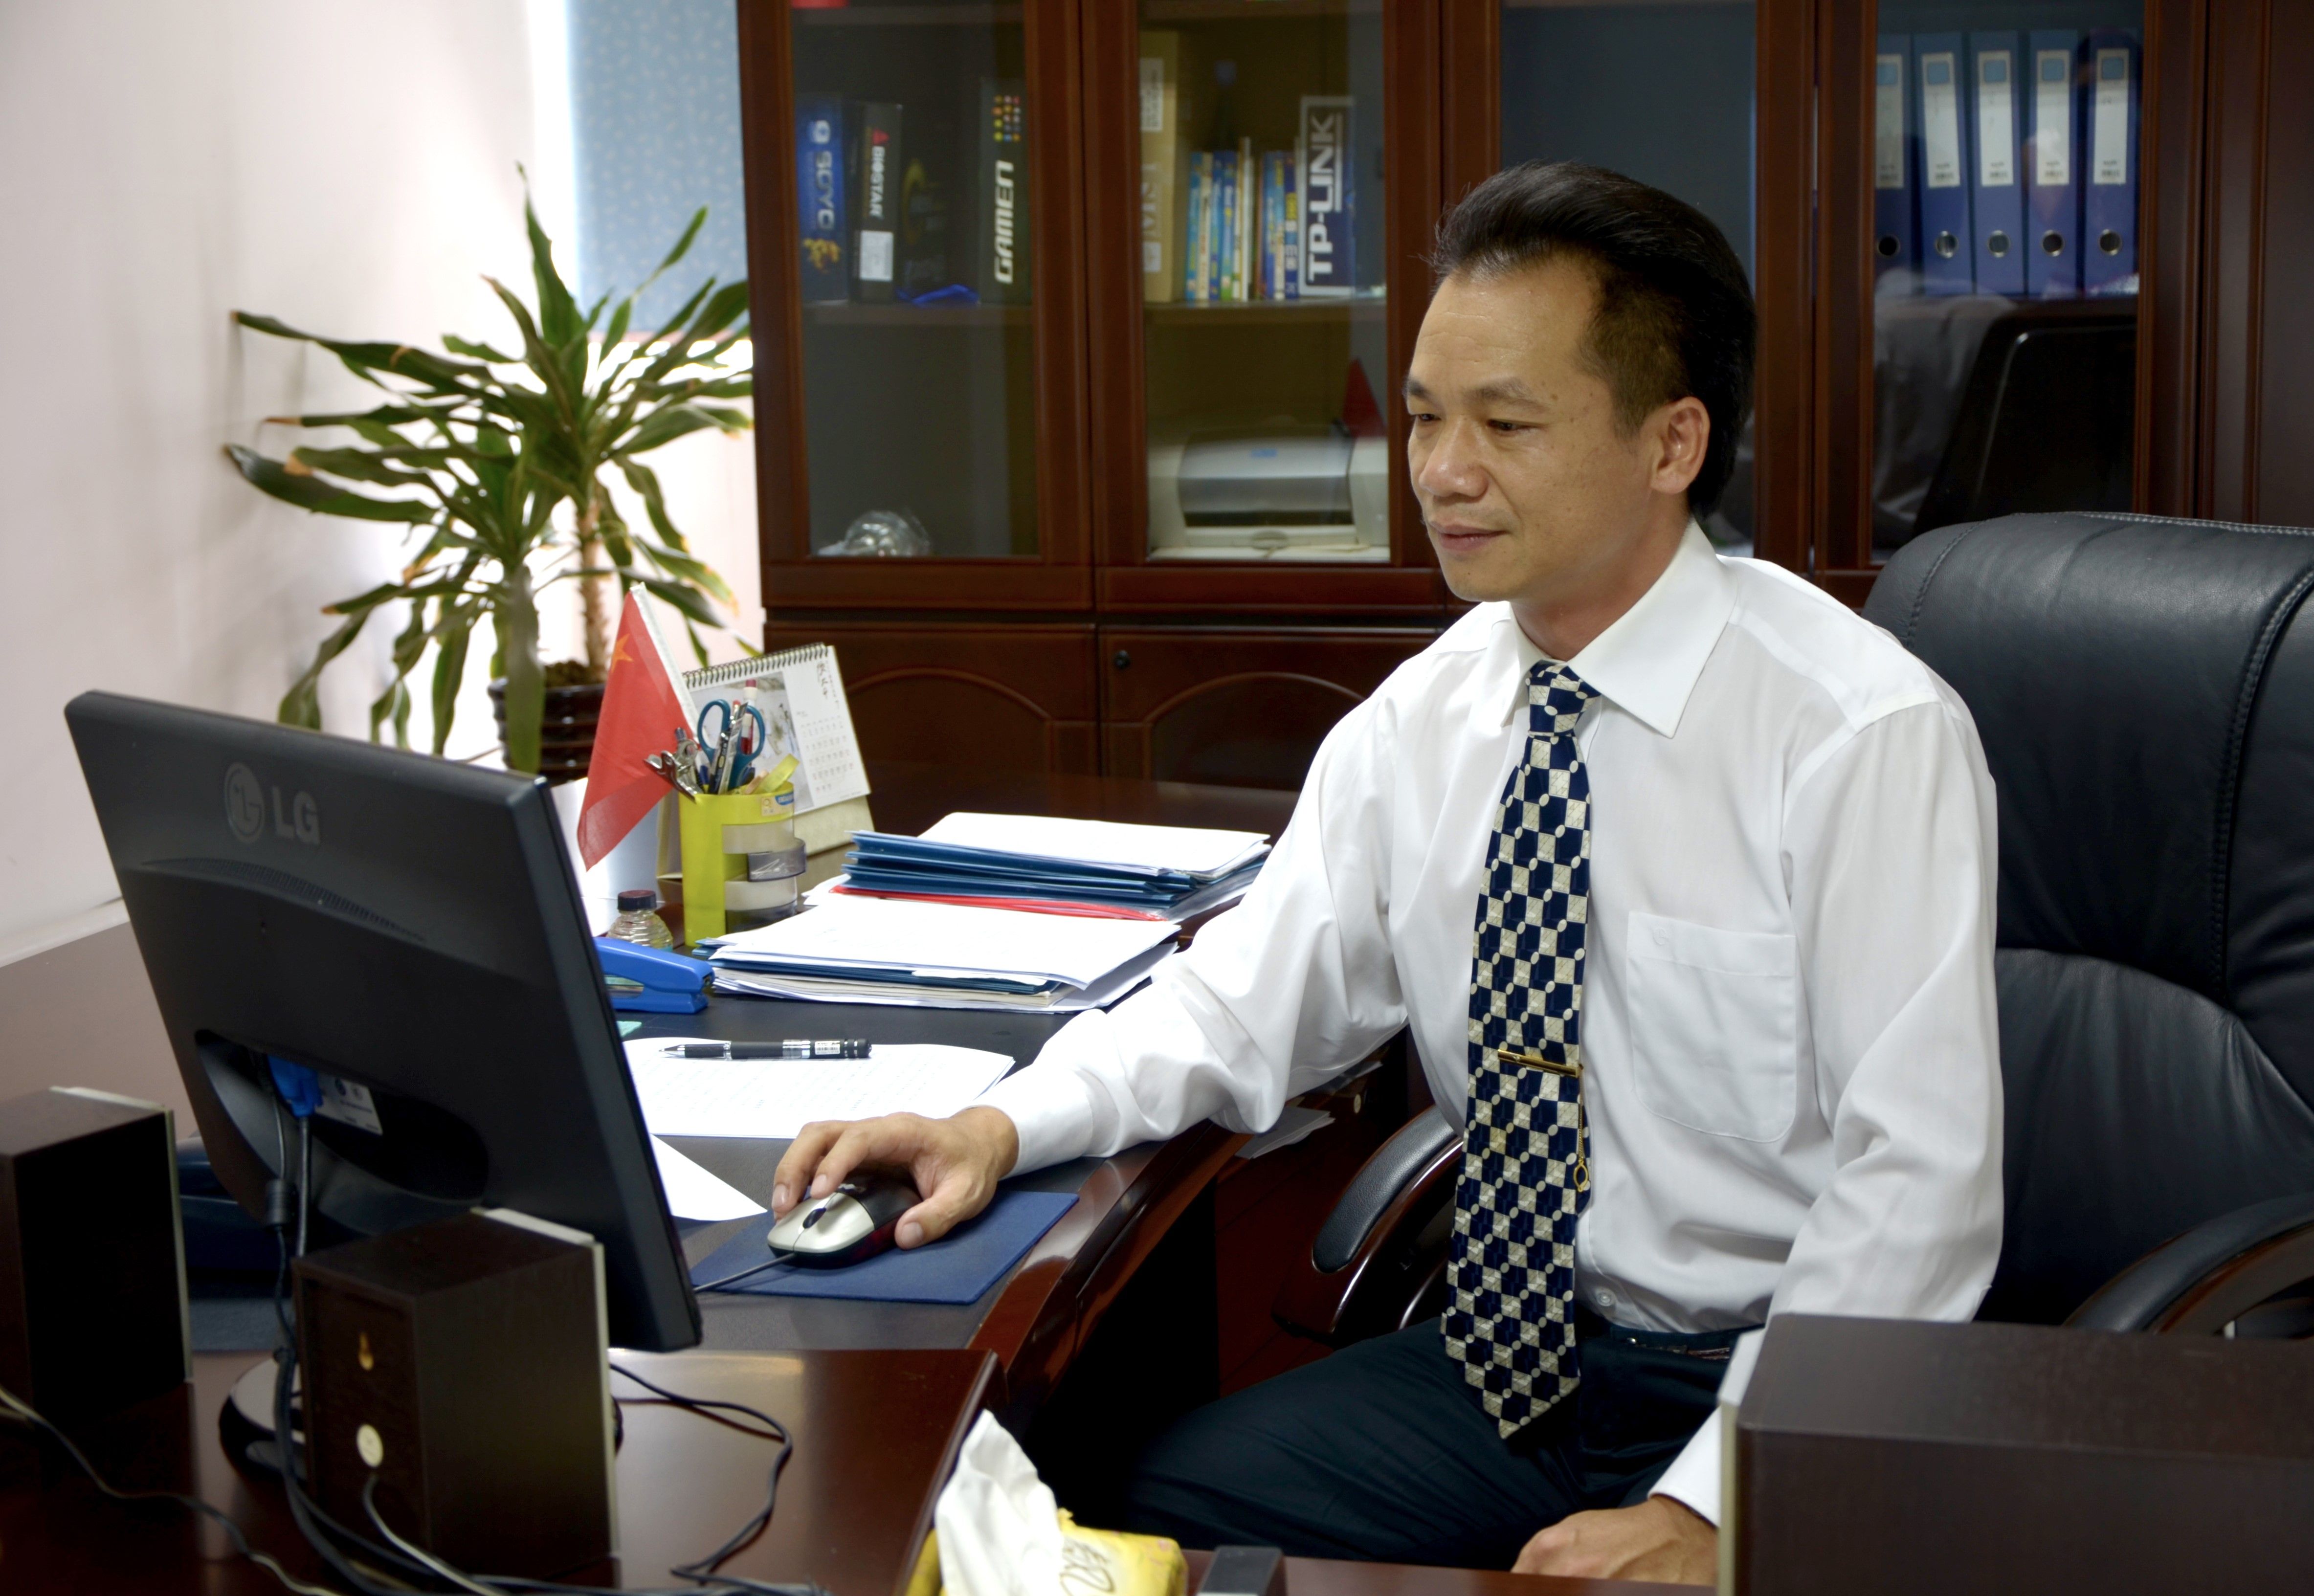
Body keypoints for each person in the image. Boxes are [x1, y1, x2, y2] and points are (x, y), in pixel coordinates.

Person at [771, 162, 2004, 1586]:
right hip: (1510, 1364)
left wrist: (1716, 1506)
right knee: (1121, 1522)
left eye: (1506, 424)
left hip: (1771, 1379)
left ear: (1673, 443)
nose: (1441, 471)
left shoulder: (1858, 735)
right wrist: (995, 1124)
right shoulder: (1422, 721)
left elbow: (1920, 1187)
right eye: (1423, 415)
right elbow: (1237, 1008)